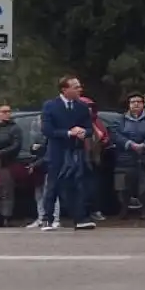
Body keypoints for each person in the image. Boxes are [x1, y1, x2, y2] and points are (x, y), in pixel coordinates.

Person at [39, 76, 95, 231]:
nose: (79, 89)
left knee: (76, 186)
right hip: (57, 152)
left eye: (79, 87)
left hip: (76, 152)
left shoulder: (82, 107)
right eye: (75, 87)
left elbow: (90, 128)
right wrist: (69, 133)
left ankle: (80, 219)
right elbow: (47, 130)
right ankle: (48, 219)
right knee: (53, 186)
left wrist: (84, 132)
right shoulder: (50, 106)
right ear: (65, 89)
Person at [115, 93, 145, 219]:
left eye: (139, 101)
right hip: (125, 157)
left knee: (144, 184)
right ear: (129, 105)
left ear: (143, 104)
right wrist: (130, 144)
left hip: (144, 156)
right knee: (123, 185)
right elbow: (115, 134)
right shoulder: (121, 119)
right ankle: (124, 209)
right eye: (133, 102)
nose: (136, 104)